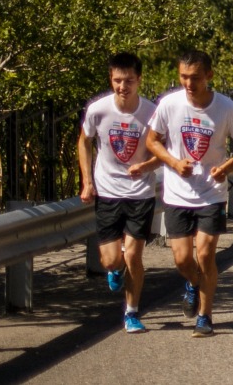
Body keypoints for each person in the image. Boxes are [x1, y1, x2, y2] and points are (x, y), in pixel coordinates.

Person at [144, 49, 233, 337]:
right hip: (177, 194)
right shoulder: (169, 104)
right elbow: (152, 140)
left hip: (211, 193)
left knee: (205, 255)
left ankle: (205, 316)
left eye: (194, 77)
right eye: (183, 77)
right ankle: (192, 283)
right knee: (182, 260)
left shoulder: (226, 107)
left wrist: (226, 167)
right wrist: (173, 162)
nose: (188, 83)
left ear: (209, 76)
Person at [78, 52, 162, 334]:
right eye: (117, 80)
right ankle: (115, 269)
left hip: (140, 192)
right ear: (110, 80)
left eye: (128, 81)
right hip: (108, 191)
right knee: (111, 260)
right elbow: (84, 142)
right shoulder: (98, 110)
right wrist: (87, 181)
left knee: (134, 257)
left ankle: (132, 312)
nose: (122, 86)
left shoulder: (152, 112)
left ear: (139, 80)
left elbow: (165, 153)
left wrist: (147, 164)